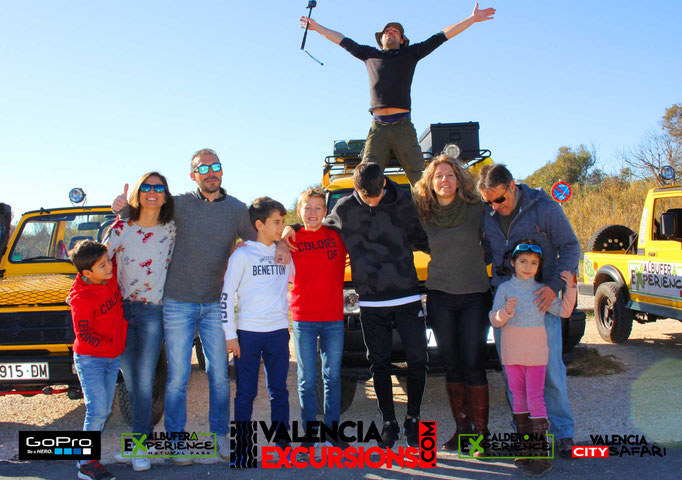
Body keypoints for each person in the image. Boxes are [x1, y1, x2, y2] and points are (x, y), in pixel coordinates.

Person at [112, 148, 257, 465]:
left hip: (215, 303)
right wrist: (122, 210)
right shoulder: (179, 204)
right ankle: (176, 442)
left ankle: (220, 437)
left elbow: (260, 238)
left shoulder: (236, 210)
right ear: (193, 175)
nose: (210, 172)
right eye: (202, 168)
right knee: (177, 377)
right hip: (177, 302)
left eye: (215, 166)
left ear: (222, 171)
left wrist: (287, 237)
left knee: (219, 376)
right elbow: (145, 215)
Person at [282, 162, 429, 448]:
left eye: (375, 195)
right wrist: (292, 227)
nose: (372, 201)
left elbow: (425, 239)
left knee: (419, 361)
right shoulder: (345, 208)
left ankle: (413, 418)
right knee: (379, 364)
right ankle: (389, 421)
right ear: (356, 191)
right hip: (370, 301)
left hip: (409, 296)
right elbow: (316, 224)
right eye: (365, 197)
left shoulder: (404, 204)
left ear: (384, 184)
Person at [299, 3, 495, 185]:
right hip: (378, 128)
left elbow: (441, 36)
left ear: (402, 40)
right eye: (386, 31)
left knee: (420, 177)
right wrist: (316, 27)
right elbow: (341, 40)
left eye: (395, 31)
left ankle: (428, 218)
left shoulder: (410, 54)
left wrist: (471, 19)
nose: (390, 32)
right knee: (367, 176)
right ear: (381, 39)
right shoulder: (369, 54)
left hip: (403, 126)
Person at [477, 163, 580, 459]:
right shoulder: (488, 214)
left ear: (512, 185)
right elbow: (485, 249)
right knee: (515, 377)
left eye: (499, 199)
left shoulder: (544, 208)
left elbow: (570, 247)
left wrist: (553, 285)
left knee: (551, 373)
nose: (495, 207)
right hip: (507, 308)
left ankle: (563, 434)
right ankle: (525, 436)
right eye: (488, 202)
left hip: (542, 305)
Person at [412, 155, 491, 454]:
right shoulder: (424, 215)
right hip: (440, 297)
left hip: (474, 296)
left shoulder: (476, 210)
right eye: (438, 176)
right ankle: (462, 431)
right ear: (430, 184)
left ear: (459, 179)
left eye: (449, 175)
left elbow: (496, 234)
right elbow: (409, 240)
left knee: (474, 364)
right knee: (451, 365)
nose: (444, 180)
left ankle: (481, 435)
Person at [490, 239, 577, 476]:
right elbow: (494, 319)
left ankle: (541, 454)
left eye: (534, 262)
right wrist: (504, 313)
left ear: (539, 266)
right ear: (513, 262)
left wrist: (571, 288)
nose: (528, 266)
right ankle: (526, 449)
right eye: (523, 261)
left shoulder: (542, 291)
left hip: (536, 354)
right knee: (518, 398)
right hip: (512, 354)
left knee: (535, 398)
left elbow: (565, 311)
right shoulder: (505, 290)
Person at [107, 172, 176, 472]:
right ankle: (142, 442)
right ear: (137, 193)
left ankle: (139, 448)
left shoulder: (172, 229)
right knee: (133, 383)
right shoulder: (121, 227)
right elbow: (96, 260)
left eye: (158, 188)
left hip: (152, 312)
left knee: (145, 380)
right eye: (146, 187)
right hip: (120, 311)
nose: (152, 192)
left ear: (165, 196)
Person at [220, 197, 291, 448]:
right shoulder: (242, 255)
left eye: (283, 222)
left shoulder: (285, 253)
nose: (281, 226)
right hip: (248, 334)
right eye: (276, 222)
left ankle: (281, 444)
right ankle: (242, 443)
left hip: (278, 333)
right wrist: (230, 334)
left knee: (279, 391)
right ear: (259, 224)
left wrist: (284, 240)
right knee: (245, 393)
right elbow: (226, 295)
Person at [289, 188, 347, 447]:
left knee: (332, 377)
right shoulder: (291, 239)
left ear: (325, 212)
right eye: (307, 208)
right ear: (299, 211)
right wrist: (286, 230)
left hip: (333, 318)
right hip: (303, 319)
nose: (312, 213)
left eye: (318, 208)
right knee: (306, 380)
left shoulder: (337, 237)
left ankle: (333, 431)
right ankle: (310, 434)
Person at [68, 240, 127, 480]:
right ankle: (87, 464)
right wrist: (109, 347)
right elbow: (84, 335)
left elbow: (112, 241)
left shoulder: (107, 278)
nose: (109, 267)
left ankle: (85, 459)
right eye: (102, 265)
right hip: (91, 359)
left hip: (112, 358)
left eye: (107, 262)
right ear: (86, 273)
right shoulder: (81, 299)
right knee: (97, 410)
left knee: (102, 409)